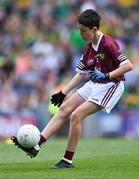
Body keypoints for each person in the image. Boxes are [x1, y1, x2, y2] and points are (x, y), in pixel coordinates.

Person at [11, 9, 133, 169]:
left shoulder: (108, 43)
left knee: (76, 115)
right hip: (95, 84)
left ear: (94, 29)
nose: (80, 34)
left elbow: (128, 65)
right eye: (79, 30)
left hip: (111, 85)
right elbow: (80, 74)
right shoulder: (89, 48)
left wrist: (107, 75)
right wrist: (63, 92)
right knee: (64, 109)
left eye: (83, 31)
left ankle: (67, 160)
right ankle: (36, 146)